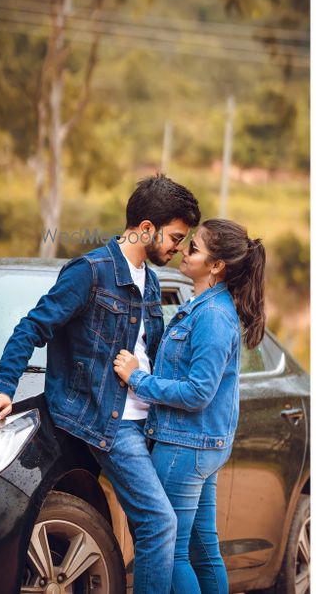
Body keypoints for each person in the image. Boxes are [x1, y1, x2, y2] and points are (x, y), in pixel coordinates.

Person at [0, 175, 201, 593]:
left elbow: (152, 351)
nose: (178, 248)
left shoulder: (149, 280)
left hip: (151, 422)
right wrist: (1, 387)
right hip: (111, 424)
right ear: (146, 228)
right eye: (174, 237)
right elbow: (33, 327)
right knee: (160, 522)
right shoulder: (90, 272)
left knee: (177, 526)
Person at [113, 218, 266, 593]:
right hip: (199, 444)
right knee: (203, 550)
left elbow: (199, 392)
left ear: (217, 266)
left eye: (194, 248)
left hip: (185, 445)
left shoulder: (213, 316)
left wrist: (137, 379)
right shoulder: (205, 307)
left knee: (174, 552)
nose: (183, 249)